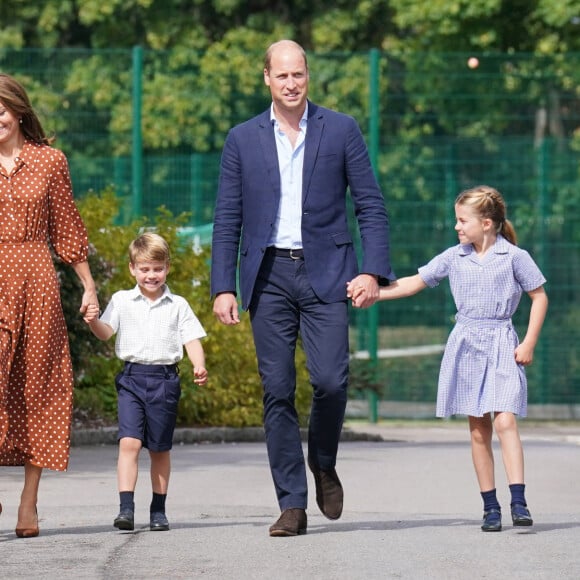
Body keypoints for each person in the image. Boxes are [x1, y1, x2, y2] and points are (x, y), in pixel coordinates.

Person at [211, 39, 394, 537]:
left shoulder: (341, 129)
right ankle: (291, 503)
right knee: (277, 391)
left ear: (307, 76)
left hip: (330, 273)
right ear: (266, 78)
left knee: (332, 382)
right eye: (282, 76)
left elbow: (371, 207)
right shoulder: (242, 139)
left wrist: (372, 272)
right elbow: (227, 218)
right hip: (267, 276)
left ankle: (324, 462)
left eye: (300, 75)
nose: (292, 84)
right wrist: (222, 287)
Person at [348, 185, 548, 532]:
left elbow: (539, 296)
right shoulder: (454, 257)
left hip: (502, 343)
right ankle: (490, 507)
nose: (456, 227)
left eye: (462, 220)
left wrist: (528, 341)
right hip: (467, 346)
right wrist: (375, 293)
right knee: (478, 428)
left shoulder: (515, 257)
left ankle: (518, 500)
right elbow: (413, 282)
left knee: (505, 421)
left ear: (486, 223)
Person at [0, 73, 99, 538]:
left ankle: (28, 500)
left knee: (38, 387)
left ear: (18, 110)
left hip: (37, 282)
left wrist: (88, 287)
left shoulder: (50, 161)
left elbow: (67, 229)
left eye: (1, 108)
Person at [85, 232, 208, 532]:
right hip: (132, 379)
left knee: (159, 449)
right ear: (132, 269)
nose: (151, 275)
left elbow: (191, 338)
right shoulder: (121, 300)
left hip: (165, 381)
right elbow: (105, 331)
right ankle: (126, 508)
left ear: (167, 268)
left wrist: (199, 365)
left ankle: (158, 510)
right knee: (129, 442)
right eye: (144, 269)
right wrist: (92, 321)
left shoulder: (177, 305)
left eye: (157, 268)